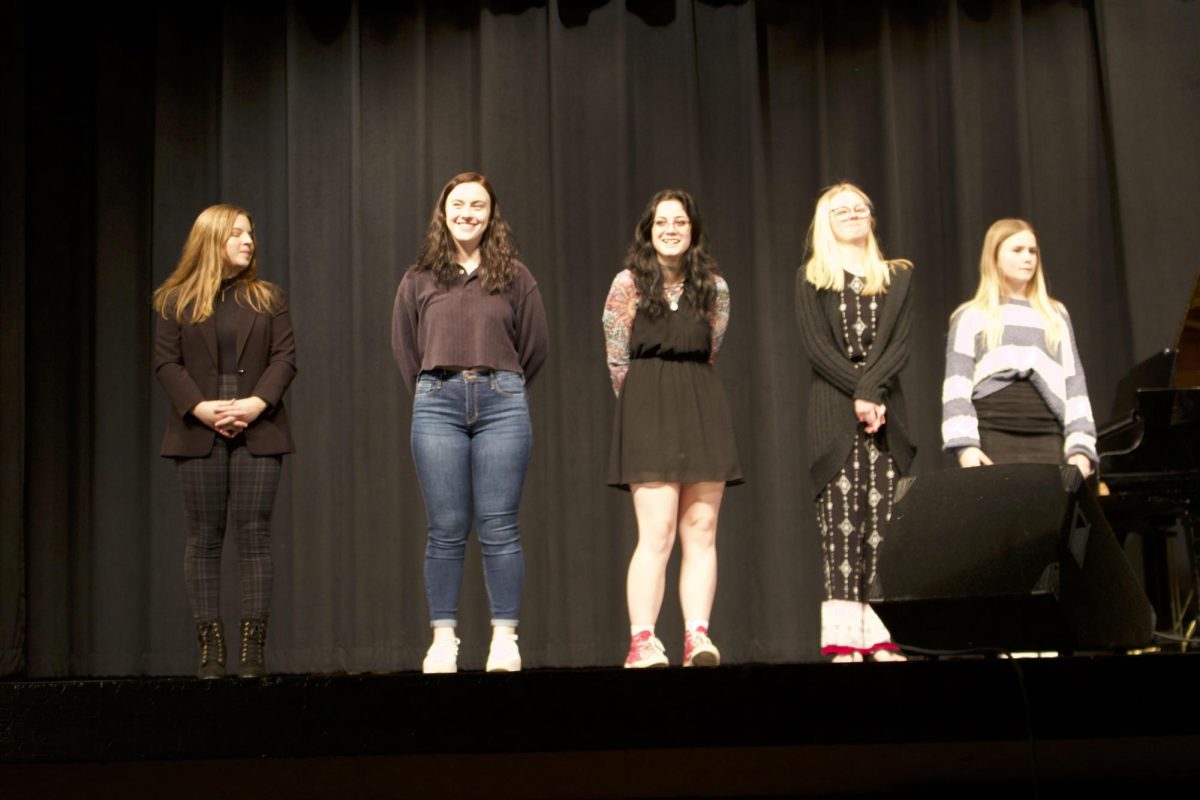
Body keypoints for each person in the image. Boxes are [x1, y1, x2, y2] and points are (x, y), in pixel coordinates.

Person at [392, 172, 549, 674]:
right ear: (443, 212)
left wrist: (502, 383)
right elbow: (405, 348)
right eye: (458, 204)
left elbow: (535, 347)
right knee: (445, 528)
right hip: (436, 400)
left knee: (500, 526)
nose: (467, 213)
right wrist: (434, 387)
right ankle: (444, 639)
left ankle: (505, 638)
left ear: (490, 214)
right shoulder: (419, 277)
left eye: (477, 205)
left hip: (503, 401)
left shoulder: (515, 276)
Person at [153, 204, 297, 679]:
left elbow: (284, 359)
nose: (248, 240)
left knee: (254, 537)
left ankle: (252, 653)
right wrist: (200, 407)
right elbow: (167, 365)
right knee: (204, 539)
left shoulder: (268, 298)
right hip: (199, 431)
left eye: (250, 233)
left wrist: (257, 404)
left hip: (258, 428)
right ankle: (211, 652)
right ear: (212, 239)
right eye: (237, 233)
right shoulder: (175, 300)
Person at [604, 188, 742, 669]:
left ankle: (696, 636)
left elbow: (713, 344)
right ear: (648, 231)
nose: (670, 229)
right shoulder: (628, 283)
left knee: (701, 529)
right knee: (657, 531)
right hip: (647, 404)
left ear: (692, 230)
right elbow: (616, 354)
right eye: (661, 222)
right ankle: (642, 641)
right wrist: (644, 401)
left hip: (701, 402)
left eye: (679, 222)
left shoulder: (714, 288)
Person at [794, 183, 915, 663]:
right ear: (826, 222)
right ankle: (845, 642)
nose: (852, 214)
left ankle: (883, 639)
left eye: (860, 207)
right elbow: (817, 349)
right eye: (840, 210)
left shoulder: (897, 277)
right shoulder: (811, 278)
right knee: (841, 531)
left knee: (885, 527)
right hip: (835, 418)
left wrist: (873, 392)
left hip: (888, 416)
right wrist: (861, 393)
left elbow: (898, 346)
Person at [942, 218, 1097, 477]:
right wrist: (965, 447)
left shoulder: (1055, 314)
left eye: (1032, 251)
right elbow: (957, 385)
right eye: (1017, 250)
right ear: (994, 257)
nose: (1028, 258)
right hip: (993, 433)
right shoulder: (970, 315)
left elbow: (1074, 382)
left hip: (1048, 434)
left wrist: (1081, 448)